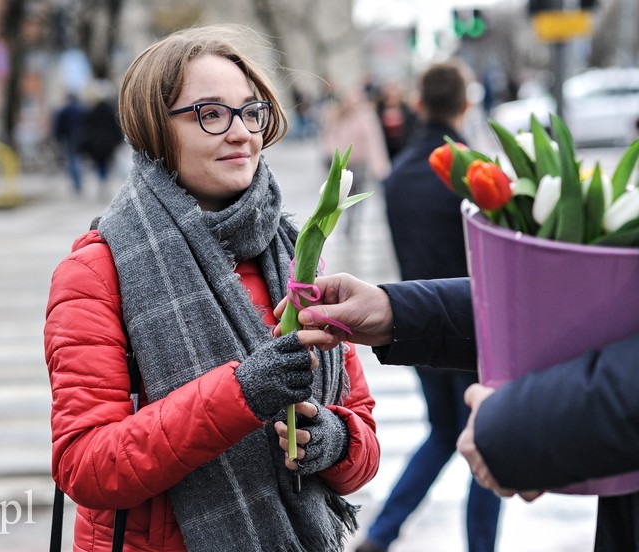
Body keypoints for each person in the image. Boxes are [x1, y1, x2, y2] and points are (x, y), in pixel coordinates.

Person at [44, 25, 381, 552]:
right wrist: (242, 393)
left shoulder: (292, 253)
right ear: (158, 130)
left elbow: (362, 435)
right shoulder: (97, 270)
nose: (241, 133)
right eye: (211, 114)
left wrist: (333, 444)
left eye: (250, 111)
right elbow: (86, 466)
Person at [273, 274, 639, 552]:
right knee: (453, 439)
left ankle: (385, 531)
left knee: (450, 438)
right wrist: (396, 309)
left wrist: (523, 422)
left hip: (461, 364)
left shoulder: (401, 183)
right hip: (459, 354)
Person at [355, 61, 501, 552]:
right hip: (474, 327)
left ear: (420, 104)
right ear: (466, 104)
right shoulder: (474, 171)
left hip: (416, 323)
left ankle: (380, 534)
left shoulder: (398, 177)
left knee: (442, 434)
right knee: (485, 440)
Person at [319, 89, 390, 236]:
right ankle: (345, 220)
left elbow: (374, 142)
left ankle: (352, 220)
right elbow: (329, 137)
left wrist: (379, 166)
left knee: (357, 193)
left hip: (359, 163)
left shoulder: (367, 118)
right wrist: (332, 154)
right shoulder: (337, 116)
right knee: (342, 194)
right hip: (341, 163)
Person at [78, 82, 124, 197]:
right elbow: (115, 126)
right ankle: (105, 181)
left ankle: (102, 180)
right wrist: (118, 140)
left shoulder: (92, 111)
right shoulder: (110, 111)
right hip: (109, 142)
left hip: (96, 143)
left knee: (100, 163)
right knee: (107, 162)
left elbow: (87, 127)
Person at [52, 91, 86, 195]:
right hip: (80, 138)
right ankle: (79, 182)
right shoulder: (82, 110)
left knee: (72, 160)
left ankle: (77, 183)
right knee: (78, 160)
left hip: (68, 138)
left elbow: (58, 126)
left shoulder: (64, 110)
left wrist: (58, 137)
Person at [376, 83, 418, 162]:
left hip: (403, 148)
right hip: (387, 149)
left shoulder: (407, 112)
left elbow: (411, 129)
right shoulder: (380, 112)